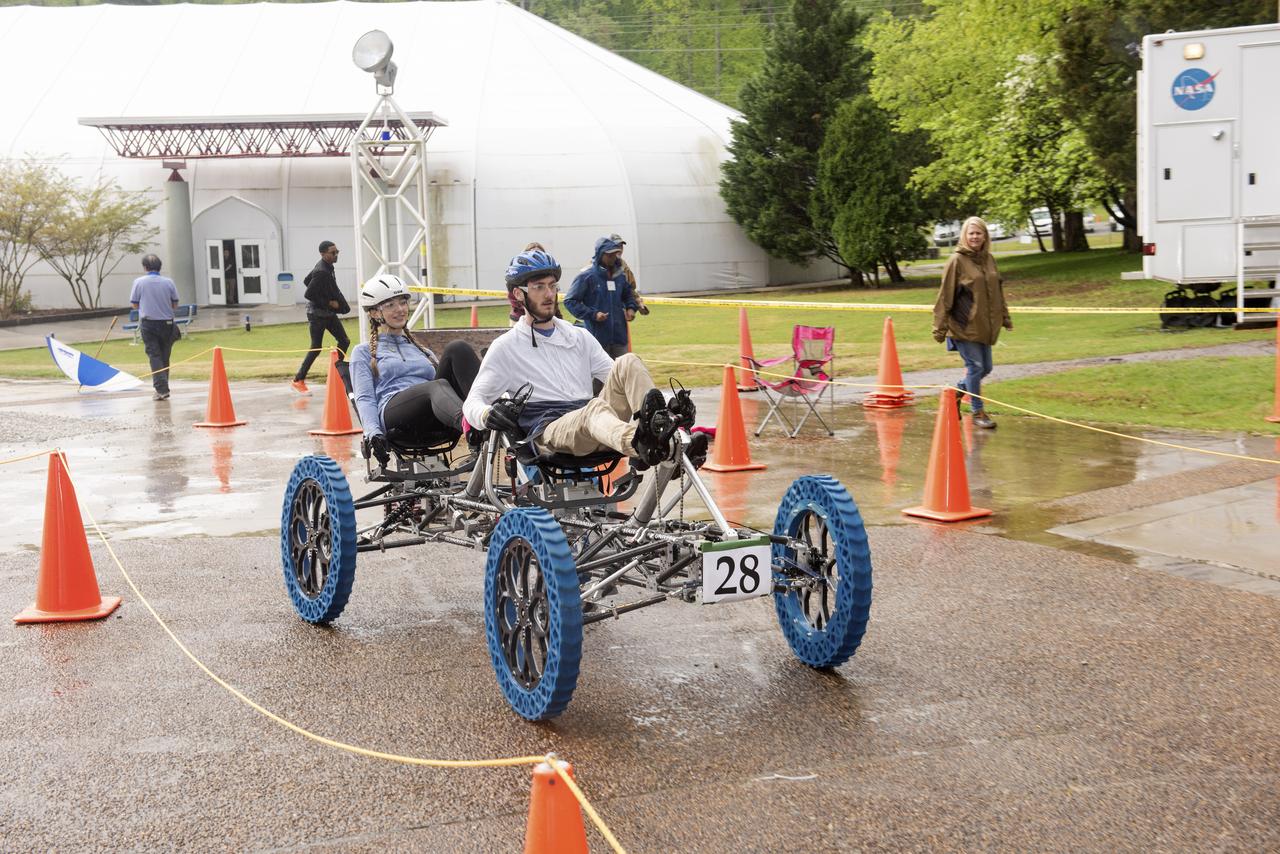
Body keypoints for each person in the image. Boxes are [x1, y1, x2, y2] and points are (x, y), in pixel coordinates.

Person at [463, 247, 706, 468]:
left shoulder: (578, 336)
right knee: (594, 409)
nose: (549, 294)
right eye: (539, 287)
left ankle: (671, 431)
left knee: (627, 362)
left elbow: (620, 380)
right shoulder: (506, 347)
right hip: (552, 429)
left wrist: (671, 402)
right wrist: (486, 415)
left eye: (553, 285)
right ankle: (644, 445)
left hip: (597, 424)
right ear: (518, 293)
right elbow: (472, 402)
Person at [350, 275, 481, 469]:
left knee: (457, 348)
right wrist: (373, 433)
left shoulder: (422, 351)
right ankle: (473, 426)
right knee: (436, 386)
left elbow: (444, 389)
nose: (400, 309)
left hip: (433, 415)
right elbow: (365, 397)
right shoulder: (362, 352)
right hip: (395, 417)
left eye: (403, 302)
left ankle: (487, 412)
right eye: (391, 305)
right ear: (375, 312)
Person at [932, 216, 1012, 430]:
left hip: (985, 326)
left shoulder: (989, 259)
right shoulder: (956, 261)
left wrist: (1005, 317)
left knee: (986, 368)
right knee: (975, 367)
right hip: (963, 326)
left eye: (979, 233)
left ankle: (957, 393)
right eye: (971, 233)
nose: (975, 237)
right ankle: (978, 411)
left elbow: (998, 292)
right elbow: (944, 297)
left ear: (985, 236)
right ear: (964, 236)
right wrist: (939, 328)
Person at [564, 236, 640, 359]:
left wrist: (631, 308)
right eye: (609, 255)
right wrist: (593, 315)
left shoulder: (620, 276)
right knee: (599, 377)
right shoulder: (586, 277)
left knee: (623, 375)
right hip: (597, 338)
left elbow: (628, 294)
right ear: (600, 254)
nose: (613, 257)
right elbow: (570, 301)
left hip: (620, 338)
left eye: (615, 254)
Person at [292, 240, 352, 395]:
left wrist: (326, 298)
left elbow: (307, 280)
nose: (336, 254)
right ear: (323, 254)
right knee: (316, 347)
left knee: (344, 341)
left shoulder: (326, 267)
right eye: (333, 252)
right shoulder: (321, 271)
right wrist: (329, 302)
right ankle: (298, 380)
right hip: (317, 314)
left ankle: (336, 375)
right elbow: (308, 293)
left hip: (327, 313)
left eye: (337, 251)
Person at [129, 253, 180, 401]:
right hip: (167, 323)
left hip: (149, 323)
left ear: (145, 267)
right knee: (165, 356)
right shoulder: (169, 282)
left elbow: (134, 303)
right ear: (160, 267)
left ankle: (161, 389)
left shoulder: (139, 282)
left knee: (154, 356)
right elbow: (175, 304)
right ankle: (163, 387)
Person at [606, 233, 648, 316]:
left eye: (621, 246)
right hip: (601, 313)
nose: (620, 249)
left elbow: (630, 288)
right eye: (616, 246)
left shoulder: (623, 265)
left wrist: (638, 302)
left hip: (620, 312)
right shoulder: (596, 265)